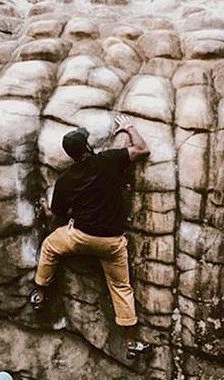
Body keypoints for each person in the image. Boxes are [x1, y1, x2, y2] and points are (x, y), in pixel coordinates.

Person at [30, 115, 151, 359]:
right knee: (120, 287)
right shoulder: (109, 160)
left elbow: (58, 216)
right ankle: (131, 343)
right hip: (112, 243)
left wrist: (48, 211)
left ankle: (39, 293)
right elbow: (142, 149)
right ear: (87, 147)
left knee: (50, 247)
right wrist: (128, 128)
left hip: (81, 236)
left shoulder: (66, 180)